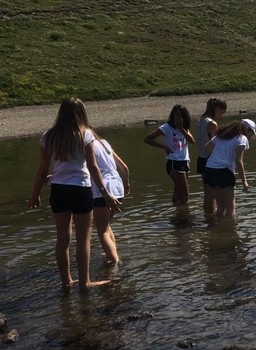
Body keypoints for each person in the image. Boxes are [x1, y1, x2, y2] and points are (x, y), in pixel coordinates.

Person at [27, 98, 123, 289]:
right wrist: (105, 194)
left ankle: (66, 282)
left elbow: (42, 169)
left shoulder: (48, 136)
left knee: (62, 238)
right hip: (80, 189)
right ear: (81, 114)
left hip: (58, 190)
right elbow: (93, 168)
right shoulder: (85, 134)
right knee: (83, 239)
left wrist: (35, 194)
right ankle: (85, 282)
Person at [89, 128, 130, 265]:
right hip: (117, 186)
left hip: (103, 189)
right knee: (106, 226)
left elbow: (85, 168)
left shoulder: (87, 146)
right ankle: (112, 254)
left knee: (102, 231)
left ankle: (114, 261)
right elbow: (124, 168)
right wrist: (126, 185)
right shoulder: (104, 143)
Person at [203, 119, 256, 217]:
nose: (250, 137)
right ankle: (230, 227)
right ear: (246, 129)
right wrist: (244, 182)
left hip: (209, 170)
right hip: (224, 172)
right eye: (251, 133)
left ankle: (217, 226)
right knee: (230, 210)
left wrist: (219, 153)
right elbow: (239, 160)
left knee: (221, 207)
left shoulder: (221, 135)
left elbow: (207, 147)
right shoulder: (241, 138)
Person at [144, 105, 194, 206]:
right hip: (174, 162)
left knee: (178, 192)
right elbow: (147, 139)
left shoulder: (184, 128)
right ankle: (184, 214)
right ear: (173, 116)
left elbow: (192, 141)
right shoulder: (166, 127)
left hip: (185, 161)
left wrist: (181, 128)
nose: (179, 118)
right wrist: (163, 147)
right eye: (176, 115)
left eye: (181, 116)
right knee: (185, 195)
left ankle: (176, 211)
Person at [196, 98, 227, 216]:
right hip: (210, 161)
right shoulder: (212, 124)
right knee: (214, 193)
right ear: (217, 109)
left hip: (201, 159)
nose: (221, 116)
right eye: (222, 113)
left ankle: (208, 217)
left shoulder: (200, 121)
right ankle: (213, 218)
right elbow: (215, 145)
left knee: (207, 192)